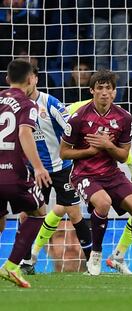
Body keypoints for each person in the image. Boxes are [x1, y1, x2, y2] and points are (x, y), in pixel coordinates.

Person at [60, 69, 132, 277]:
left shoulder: (124, 117)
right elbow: (63, 153)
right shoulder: (78, 118)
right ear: (92, 91)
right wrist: (90, 151)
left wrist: (108, 145)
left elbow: (123, 156)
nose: (104, 92)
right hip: (84, 173)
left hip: (111, 173)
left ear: (115, 92)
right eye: (100, 88)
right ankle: (95, 256)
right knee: (103, 203)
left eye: (109, 88)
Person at [18, 66, 92, 275]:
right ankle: (25, 262)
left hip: (62, 169)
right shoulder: (17, 107)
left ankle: (92, 263)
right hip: (34, 171)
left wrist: (79, 153)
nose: (26, 84)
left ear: (36, 80)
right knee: (27, 215)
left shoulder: (50, 103)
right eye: (23, 80)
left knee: (74, 213)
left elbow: (72, 126)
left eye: (29, 80)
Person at [0, 59, 52, 288]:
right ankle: (11, 266)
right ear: (31, 79)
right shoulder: (28, 104)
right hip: (15, 174)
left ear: (7, 79)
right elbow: (24, 133)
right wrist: (39, 167)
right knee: (39, 212)